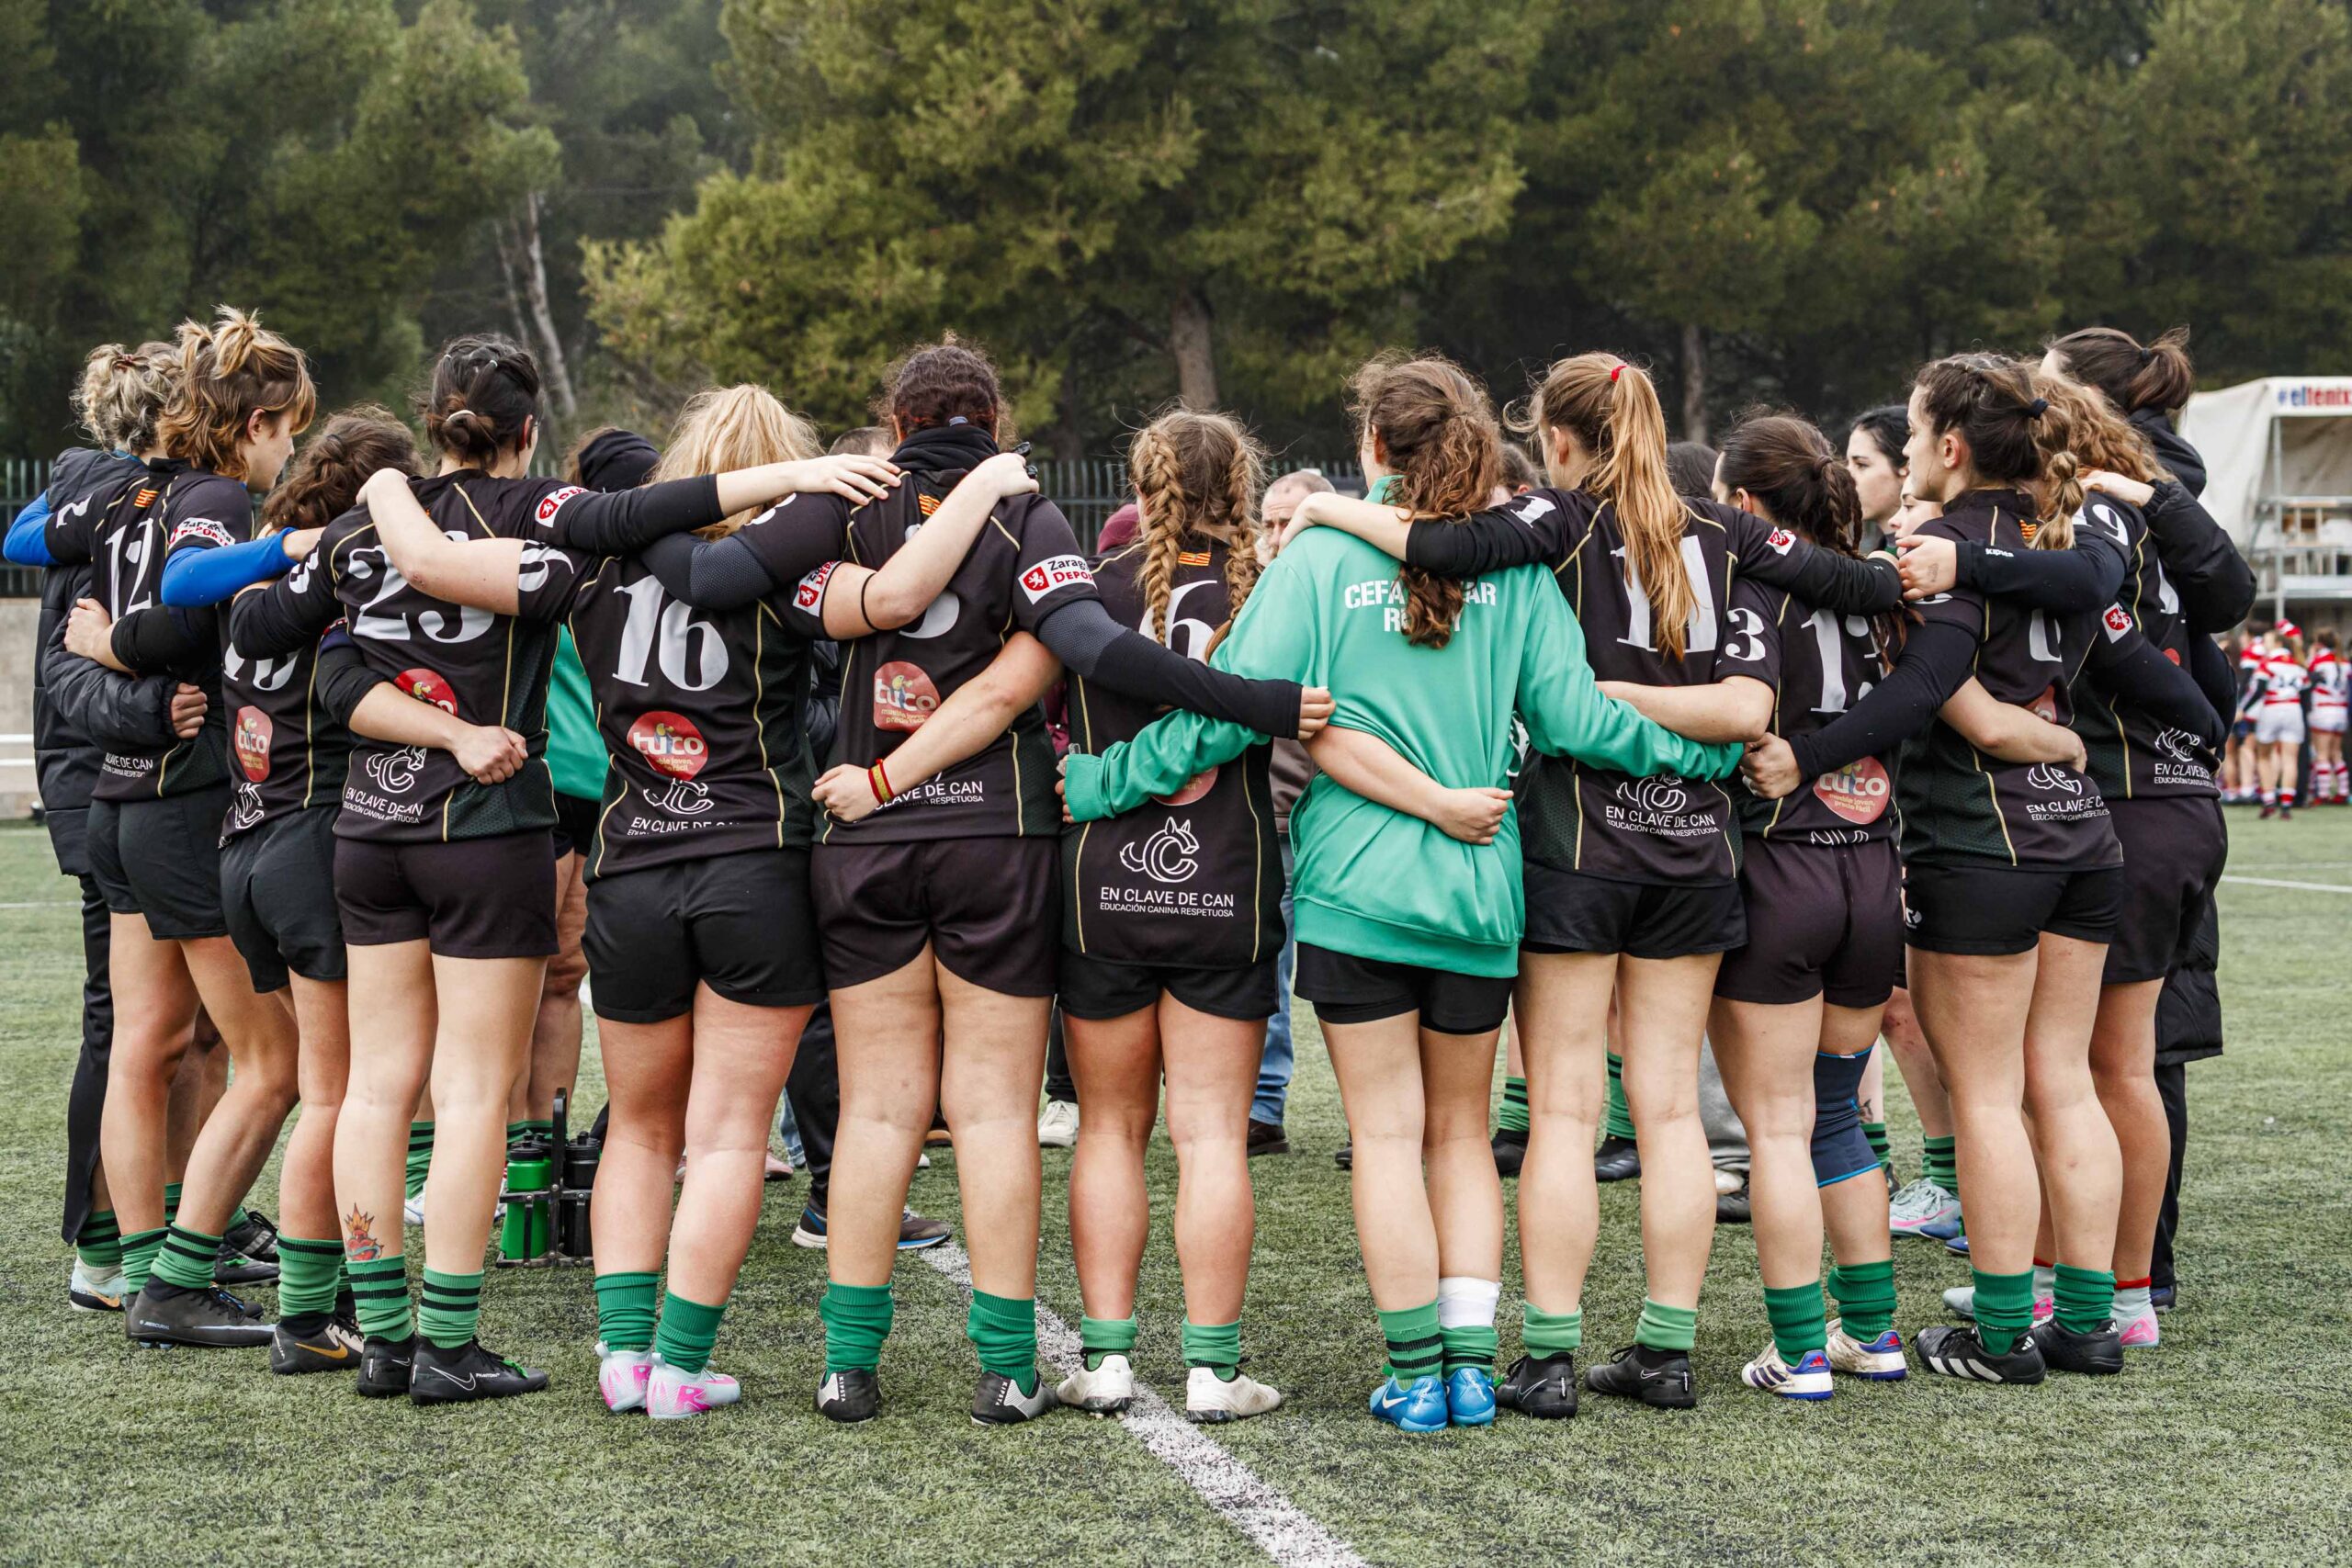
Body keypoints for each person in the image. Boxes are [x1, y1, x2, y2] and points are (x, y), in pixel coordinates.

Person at [1064, 354, 1741, 1433]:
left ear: (1373, 448)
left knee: (1386, 1138)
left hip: (1354, 896)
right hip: (1480, 891)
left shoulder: (1323, 550)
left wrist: (1109, 778)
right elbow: (1579, 722)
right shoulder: (1515, 567)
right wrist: (1708, 763)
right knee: (1461, 1138)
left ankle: (1418, 1374)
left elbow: (1233, 708)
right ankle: (1474, 1368)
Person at [229, 333, 900, 1404]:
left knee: (370, 1086)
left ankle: (383, 1335)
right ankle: (450, 1346)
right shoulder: (555, 523)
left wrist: (381, 507)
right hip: (493, 829)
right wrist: (809, 477)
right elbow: (648, 519)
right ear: (529, 430)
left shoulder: (369, 526)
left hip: (367, 823)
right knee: (474, 1093)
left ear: (434, 414)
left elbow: (282, 639)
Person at [667, 337, 1319, 1427]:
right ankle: (1009, 1369)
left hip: (863, 842)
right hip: (996, 841)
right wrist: (1257, 701)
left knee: (877, 1113)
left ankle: (847, 1367)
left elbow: (740, 583)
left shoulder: (839, 505)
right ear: (993, 416)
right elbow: (1089, 650)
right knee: (993, 1114)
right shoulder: (1028, 511)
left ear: (893, 417)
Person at [358, 380, 1026, 1417]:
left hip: (631, 864)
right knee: (723, 1137)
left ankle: (622, 1363)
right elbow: (895, 603)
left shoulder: (592, 563)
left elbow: (437, 563)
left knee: (639, 1127)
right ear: (790, 461)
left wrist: (389, 484)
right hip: (754, 860)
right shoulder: (794, 558)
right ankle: (677, 1367)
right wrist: (986, 483)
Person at [1279, 353, 1905, 1413]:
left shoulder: (1553, 522)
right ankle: (1664, 1350)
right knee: (1666, 1113)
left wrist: (1332, 519)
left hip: (1575, 838)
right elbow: (1804, 647)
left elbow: (1441, 547)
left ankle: (1550, 1356)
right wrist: (1911, 575)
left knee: (1568, 1109)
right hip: (1697, 845)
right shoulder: (1728, 533)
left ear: (1559, 441)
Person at [1744, 354, 2220, 1383]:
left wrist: (1806, 756)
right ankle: (2089, 1320)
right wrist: (2184, 719)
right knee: (2065, 1081)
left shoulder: (1940, 542)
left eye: (1913, 437)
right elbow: (2116, 636)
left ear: (1951, 448)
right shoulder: (2059, 537)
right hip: (2086, 835)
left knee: (1994, 1097)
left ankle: (2001, 1335)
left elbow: (1922, 690)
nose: (1908, 455)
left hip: (1984, 842)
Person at [152, 405, 531, 1371]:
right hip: (315, 839)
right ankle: (305, 1312)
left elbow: (177, 593)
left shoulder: (260, 580)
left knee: (279, 1076)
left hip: (242, 841)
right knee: (338, 1090)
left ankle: (194, 1276)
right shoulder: (344, 580)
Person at [47, 310, 315, 1347]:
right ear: (253, 423)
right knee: (274, 1061)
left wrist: (112, 646)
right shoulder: (214, 497)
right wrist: (124, 649)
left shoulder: (128, 490)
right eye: (289, 427)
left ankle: (130, 1265)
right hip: (180, 798)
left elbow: (45, 544)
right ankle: (181, 1276)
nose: (291, 446)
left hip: (121, 801)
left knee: (145, 1045)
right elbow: (187, 607)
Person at [1705, 415, 1917, 1397]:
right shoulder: (1877, 598)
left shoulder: (1748, 586)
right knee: (1837, 1116)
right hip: (1871, 871)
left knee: (1777, 1131)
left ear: (1748, 505)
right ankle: (1870, 1333)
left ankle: (1796, 1353)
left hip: (1782, 869)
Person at [9, 342, 210, 1314]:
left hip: (140, 784)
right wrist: (155, 709)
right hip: (108, 785)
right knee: (121, 1024)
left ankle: (170, 1218)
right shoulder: (106, 505)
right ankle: (102, 1247)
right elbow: (68, 670)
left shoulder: (142, 507)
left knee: (178, 1027)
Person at [1250, 466, 1340, 1157]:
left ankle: (1376, 1117)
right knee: (1266, 962)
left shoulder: (1341, 588)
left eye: (1291, 520)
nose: (1276, 535)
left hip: (1342, 812)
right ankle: (1263, 1104)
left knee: (1351, 968)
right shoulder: (1249, 592)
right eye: (1269, 522)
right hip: (1270, 813)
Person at [2250, 625, 2309, 818]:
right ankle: (2286, 805)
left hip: (2272, 708)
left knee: (2264, 755)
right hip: (2294, 709)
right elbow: (2306, 688)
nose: (2264, 645)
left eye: (2267, 641)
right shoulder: (2297, 665)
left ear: (2276, 643)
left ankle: (2268, 802)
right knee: (2290, 758)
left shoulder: (2266, 664)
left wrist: (2242, 709)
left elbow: (2258, 690)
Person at [2309, 628, 2346, 802]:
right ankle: (2343, 792)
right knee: (2336, 753)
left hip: (2323, 709)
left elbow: (2306, 677)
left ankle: (2322, 794)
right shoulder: (2344, 661)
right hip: (2341, 710)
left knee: (2322, 753)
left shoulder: (2319, 660)